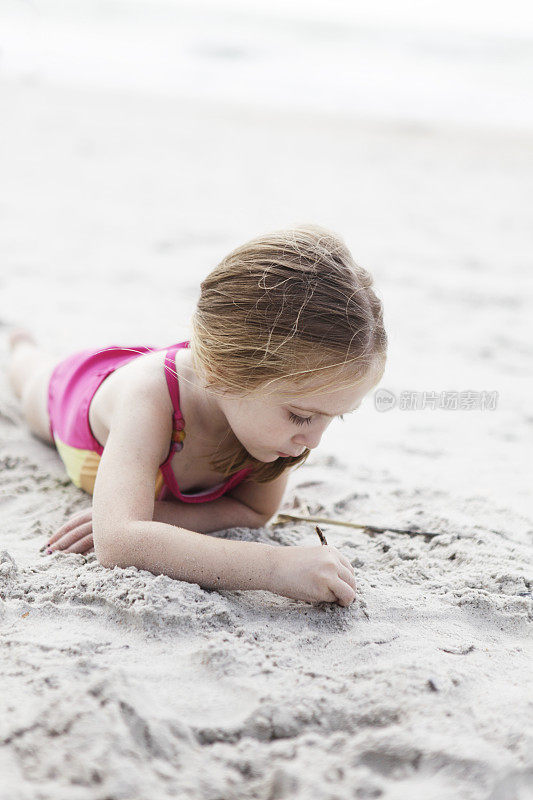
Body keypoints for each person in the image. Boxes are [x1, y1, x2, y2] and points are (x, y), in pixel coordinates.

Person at [7, 224, 387, 607]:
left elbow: (254, 510)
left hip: (199, 381)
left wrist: (156, 516)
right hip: (74, 392)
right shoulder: (149, 400)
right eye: (302, 416)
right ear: (224, 373)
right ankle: (20, 345)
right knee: (29, 378)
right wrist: (274, 567)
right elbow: (117, 544)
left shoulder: (273, 428)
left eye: (333, 417)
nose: (314, 440)